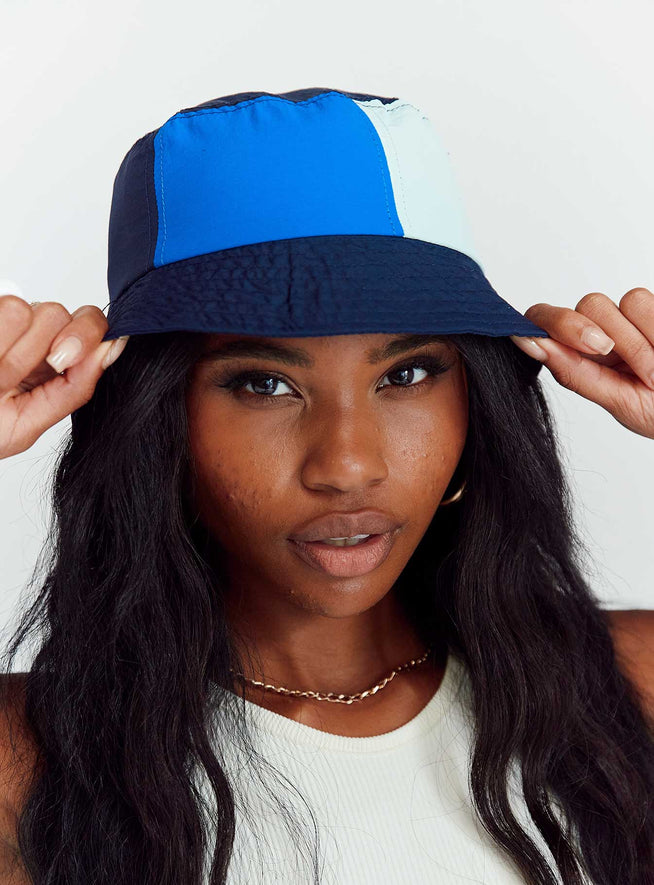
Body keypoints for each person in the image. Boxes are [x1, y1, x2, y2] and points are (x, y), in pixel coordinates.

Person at [0, 87, 652, 885]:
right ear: (156, 414)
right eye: (263, 383)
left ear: (475, 398)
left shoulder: (620, 692)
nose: (348, 466)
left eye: (406, 373)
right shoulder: (31, 768)